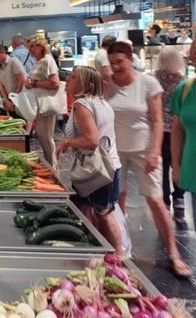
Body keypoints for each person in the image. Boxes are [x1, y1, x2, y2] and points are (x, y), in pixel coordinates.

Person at [106, 41, 191, 277]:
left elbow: (156, 120)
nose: (116, 67)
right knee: (117, 200)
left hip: (144, 149)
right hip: (116, 151)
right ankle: (120, 248)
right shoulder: (108, 85)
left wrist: (155, 152)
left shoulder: (148, 83)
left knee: (155, 201)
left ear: (130, 59)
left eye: (120, 62)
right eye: (112, 63)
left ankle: (174, 252)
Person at [55, 66, 124, 256]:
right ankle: (93, 251)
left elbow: (92, 141)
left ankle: (120, 259)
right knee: (89, 209)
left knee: (105, 214)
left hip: (97, 170)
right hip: (110, 166)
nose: (67, 79)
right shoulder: (101, 103)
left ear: (87, 83)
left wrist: (67, 141)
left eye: (73, 77)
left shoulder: (82, 105)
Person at [171, 29, 196, 289]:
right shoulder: (186, 89)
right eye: (191, 52)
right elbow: (177, 128)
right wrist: (176, 166)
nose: (191, 57)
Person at [154, 46, 187, 222]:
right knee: (177, 164)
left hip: (159, 128)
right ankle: (179, 197)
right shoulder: (182, 82)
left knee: (163, 166)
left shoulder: (154, 79)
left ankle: (165, 199)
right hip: (177, 128)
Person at [24, 36, 61, 166]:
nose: (30, 50)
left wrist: (34, 83)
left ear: (41, 46)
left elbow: (55, 83)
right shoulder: (38, 61)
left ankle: (54, 168)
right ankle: (50, 165)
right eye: (28, 47)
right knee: (43, 137)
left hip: (46, 104)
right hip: (39, 104)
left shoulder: (47, 60)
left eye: (32, 47)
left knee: (46, 138)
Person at [0, 43, 26, 115]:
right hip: (10, 101)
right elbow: (1, 85)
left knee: (23, 121)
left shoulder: (13, 62)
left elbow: (22, 80)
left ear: (2, 52)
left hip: (20, 100)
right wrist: (7, 100)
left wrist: (14, 97)